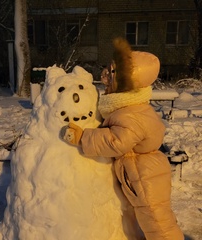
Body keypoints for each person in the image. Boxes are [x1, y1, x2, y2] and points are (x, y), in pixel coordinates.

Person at [61, 37, 184, 240]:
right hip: (143, 171)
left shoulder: (130, 114)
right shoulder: (130, 108)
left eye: (111, 74)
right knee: (157, 220)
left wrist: (83, 137)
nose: (104, 76)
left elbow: (116, 142)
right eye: (108, 69)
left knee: (157, 224)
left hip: (143, 177)